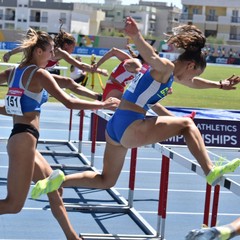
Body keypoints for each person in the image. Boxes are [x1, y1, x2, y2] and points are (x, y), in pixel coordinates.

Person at [31, 17, 240, 201]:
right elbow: (151, 56)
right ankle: (210, 170)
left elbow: (193, 82)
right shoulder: (165, 67)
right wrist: (137, 36)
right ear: (191, 66)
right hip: (131, 123)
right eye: (193, 74)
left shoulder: (168, 73)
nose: (190, 79)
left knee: (106, 180)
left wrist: (219, 85)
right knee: (187, 124)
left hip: (115, 126)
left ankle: (57, 181)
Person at [0, 28, 119, 239]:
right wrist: (101, 104)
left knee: (55, 189)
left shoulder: (13, 72)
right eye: (50, 51)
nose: (53, 56)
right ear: (38, 51)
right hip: (23, 141)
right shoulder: (39, 73)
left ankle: (72, 237)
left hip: (24, 141)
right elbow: (68, 102)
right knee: (13, 204)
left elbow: (12, 108)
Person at [2, 27, 105, 101]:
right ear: (66, 45)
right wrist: (9, 53)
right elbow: (80, 65)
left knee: (68, 82)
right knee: (67, 86)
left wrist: (9, 53)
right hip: (31, 75)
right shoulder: (59, 52)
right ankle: (99, 97)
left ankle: (99, 97)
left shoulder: (53, 50)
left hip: (38, 75)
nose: (73, 50)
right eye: (72, 47)